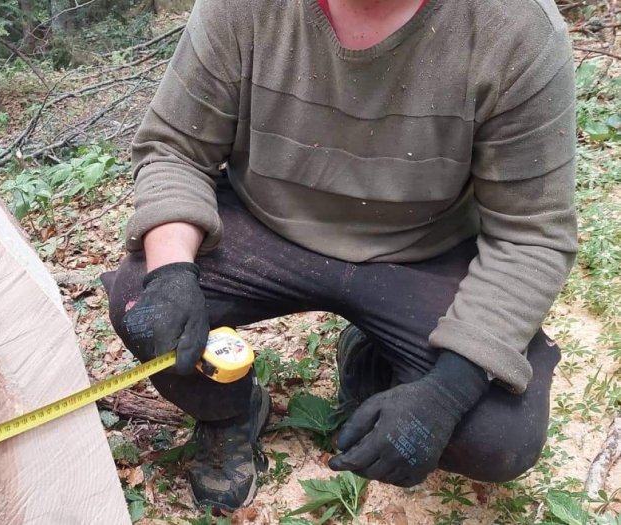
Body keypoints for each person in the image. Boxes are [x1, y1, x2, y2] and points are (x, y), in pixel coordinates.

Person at [102, 0, 577, 512]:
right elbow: (175, 148)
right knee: (143, 304)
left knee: (497, 436)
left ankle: (373, 367)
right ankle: (230, 413)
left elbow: (530, 233)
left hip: (422, 250)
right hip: (265, 223)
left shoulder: (516, 30)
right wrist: (172, 272)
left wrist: (448, 391)